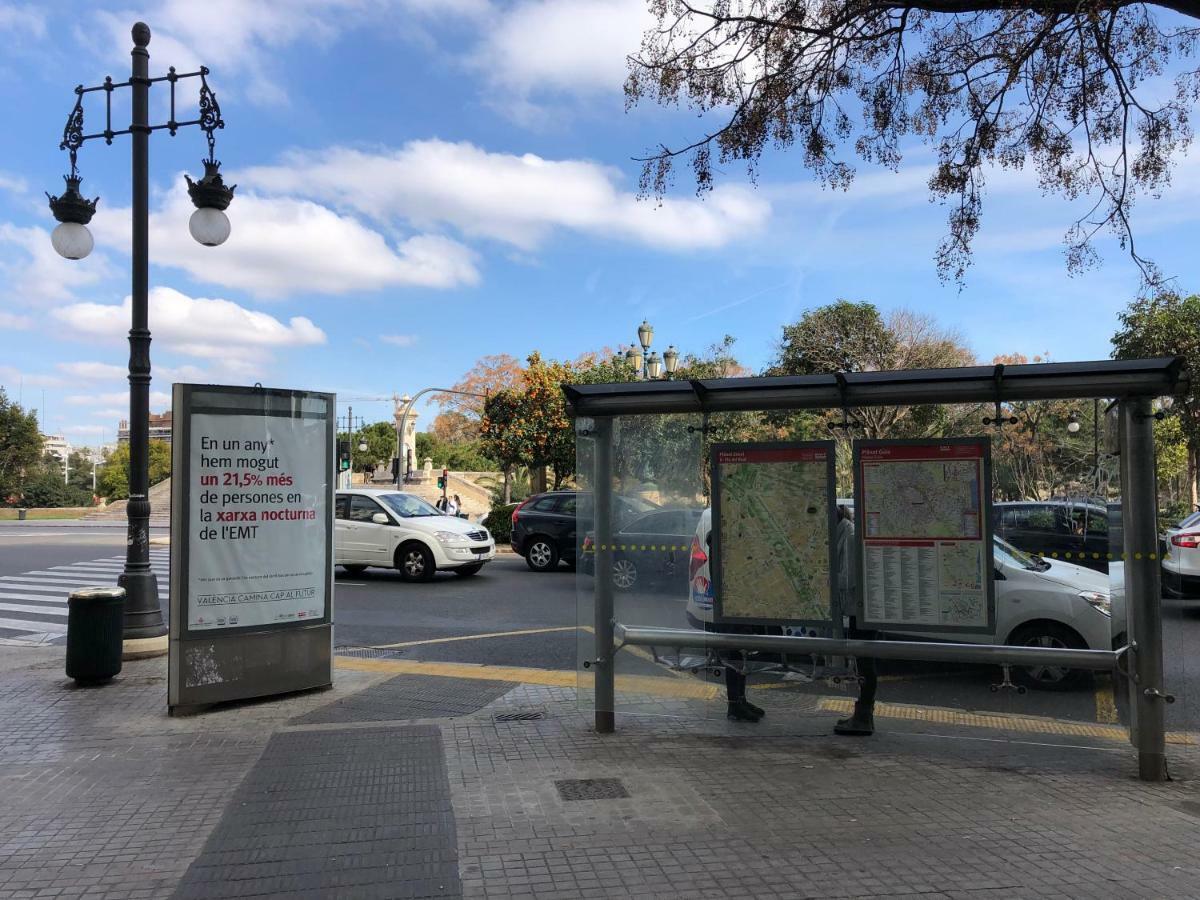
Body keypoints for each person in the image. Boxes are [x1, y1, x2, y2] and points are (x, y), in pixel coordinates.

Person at [684, 531, 766, 723]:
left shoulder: (724, 538)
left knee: (740, 653)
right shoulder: (722, 539)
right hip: (731, 605)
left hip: (737, 603)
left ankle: (740, 700)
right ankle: (735, 704)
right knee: (735, 654)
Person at [833, 503, 877, 736]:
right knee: (862, 660)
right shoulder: (844, 532)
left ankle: (863, 717)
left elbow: (848, 578)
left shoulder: (847, 535)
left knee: (865, 662)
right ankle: (862, 715)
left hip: (862, 609)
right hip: (856, 608)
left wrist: (824, 576)